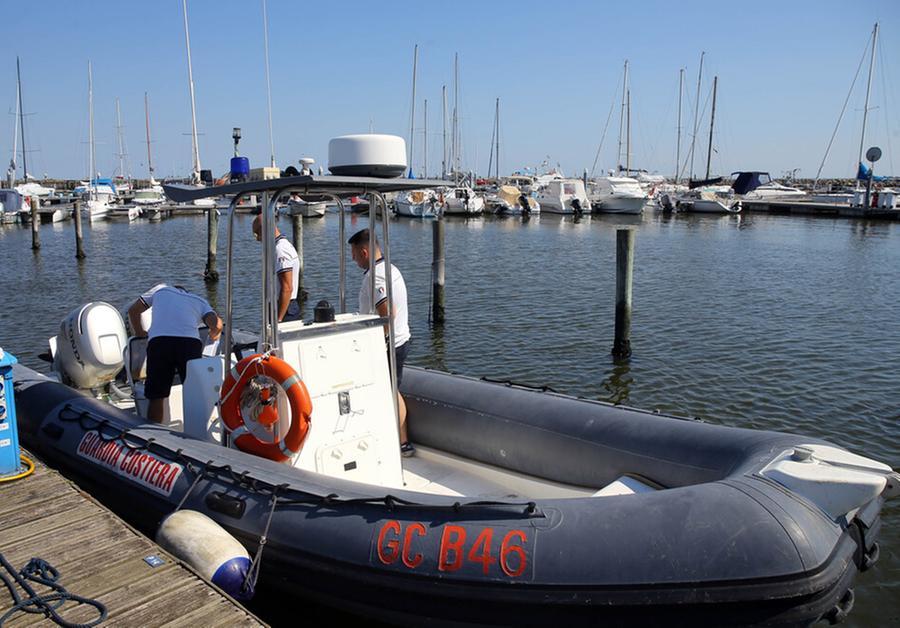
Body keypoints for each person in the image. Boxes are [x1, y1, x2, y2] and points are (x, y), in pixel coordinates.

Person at [348, 228, 414, 457]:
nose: (353, 259)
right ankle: (401, 440)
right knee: (392, 389)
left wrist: (376, 341)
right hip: (401, 339)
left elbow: (388, 313)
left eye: (355, 255)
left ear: (364, 252)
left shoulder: (375, 276)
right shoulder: (391, 269)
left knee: (389, 391)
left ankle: (402, 442)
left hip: (390, 344)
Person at [127, 284, 222, 423]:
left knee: (157, 395)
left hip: (160, 342)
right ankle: (196, 433)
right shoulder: (200, 301)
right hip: (190, 345)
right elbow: (217, 325)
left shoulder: (161, 289)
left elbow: (134, 311)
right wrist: (214, 335)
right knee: (194, 393)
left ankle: (155, 431)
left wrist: (140, 333)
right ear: (186, 292)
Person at [252, 213, 301, 322]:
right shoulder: (278, 246)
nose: (257, 239)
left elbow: (287, 287)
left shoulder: (280, 249)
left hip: (285, 309)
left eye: (256, 234)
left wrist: (278, 319)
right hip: (279, 306)